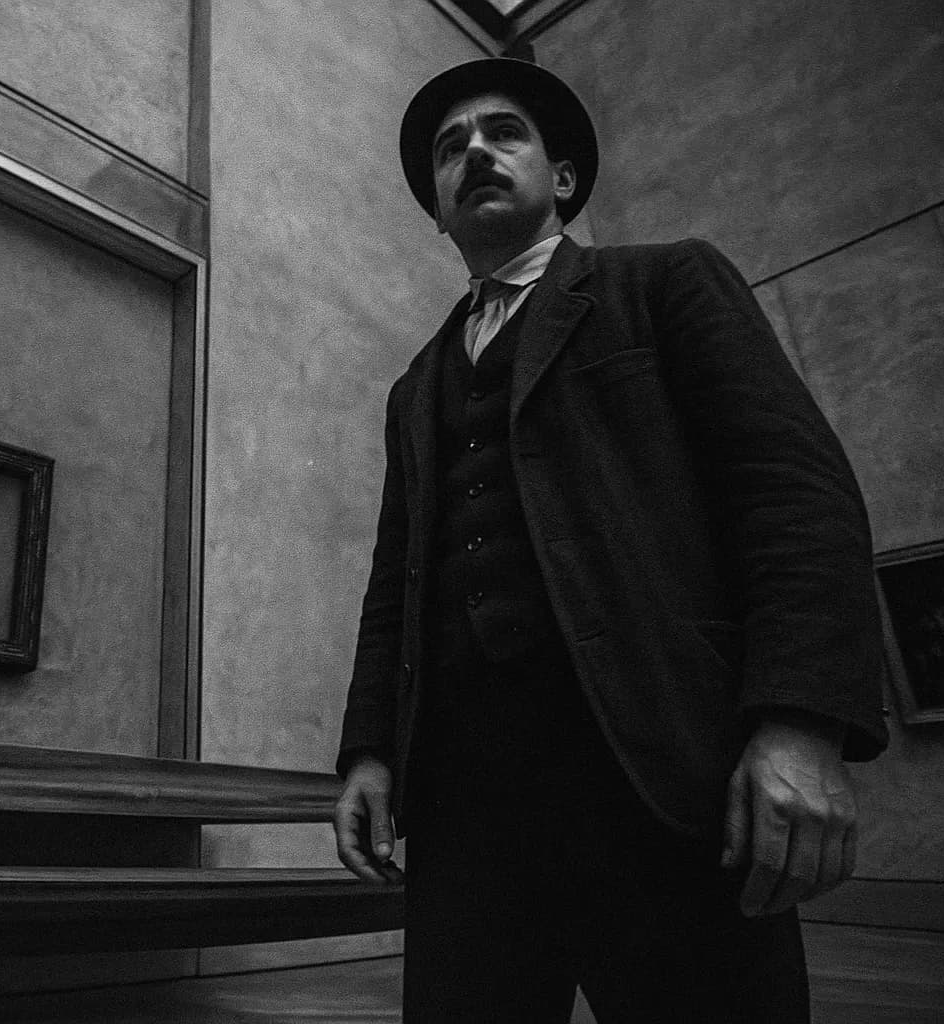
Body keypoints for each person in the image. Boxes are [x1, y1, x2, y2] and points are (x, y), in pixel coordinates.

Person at [332, 57, 888, 1022]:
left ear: (563, 179)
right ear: (438, 212)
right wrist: (369, 753)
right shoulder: (414, 387)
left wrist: (803, 724)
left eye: (503, 132)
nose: (474, 152)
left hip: (661, 771)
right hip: (466, 807)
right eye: (451, 149)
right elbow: (396, 586)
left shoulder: (663, 282)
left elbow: (794, 496)